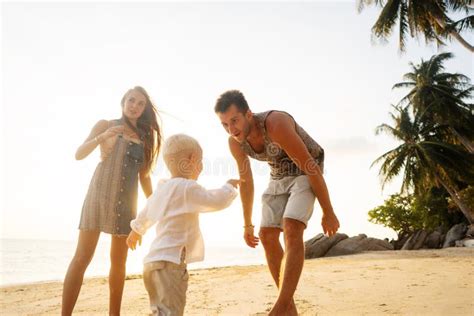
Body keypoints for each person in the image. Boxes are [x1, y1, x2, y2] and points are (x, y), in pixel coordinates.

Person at [214, 90, 340, 316]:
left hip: (305, 169)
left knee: (291, 227)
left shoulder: (276, 123)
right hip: (278, 175)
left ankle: (279, 309)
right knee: (267, 235)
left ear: (248, 114)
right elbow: (247, 182)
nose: (231, 129)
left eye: (234, 121)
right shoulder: (235, 143)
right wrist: (247, 224)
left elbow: (310, 166)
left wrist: (328, 211)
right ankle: (289, 311)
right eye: (224, 125)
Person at [61, 86, 162, 316]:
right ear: (123, 102)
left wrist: (154, 204)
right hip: (98, 197)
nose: (134, 106)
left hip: (126, 204)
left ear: (144, 109)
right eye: (131, 100)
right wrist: (102, 137)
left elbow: (144, 176)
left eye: (140, 103)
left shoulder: (145, 138)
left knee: (119, 262)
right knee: (81, 258)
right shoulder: (105, 125)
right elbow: (79, 154)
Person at [126, 133, 240, 316]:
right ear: (192, 159)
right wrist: (228, 188)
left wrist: (137, 231)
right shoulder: (187, 187)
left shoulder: (162, 189)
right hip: (170, 264)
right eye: (200, 161)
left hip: (151, 263)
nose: (201, 167)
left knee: (159, 311)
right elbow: (213, 200)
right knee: (171, 312)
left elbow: (146, 212)